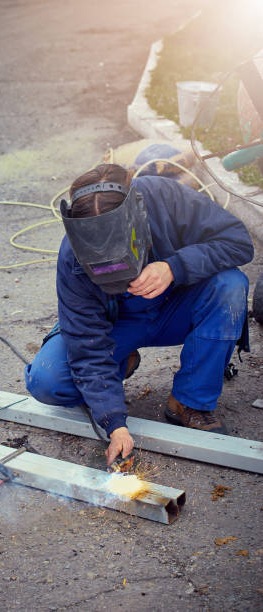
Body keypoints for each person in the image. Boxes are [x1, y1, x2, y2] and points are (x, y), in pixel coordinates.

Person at [25, 163, 254, 467]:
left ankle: (189, 401)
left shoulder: (165, 198)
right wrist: (114, 423)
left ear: (136, 215)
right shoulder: (73, 255)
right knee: (48, 380)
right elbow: (86, 343)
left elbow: (238, 242)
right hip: (117, 324)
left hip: (177, 306)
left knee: (230, 286)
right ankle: (121, 359)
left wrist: (174, 267)